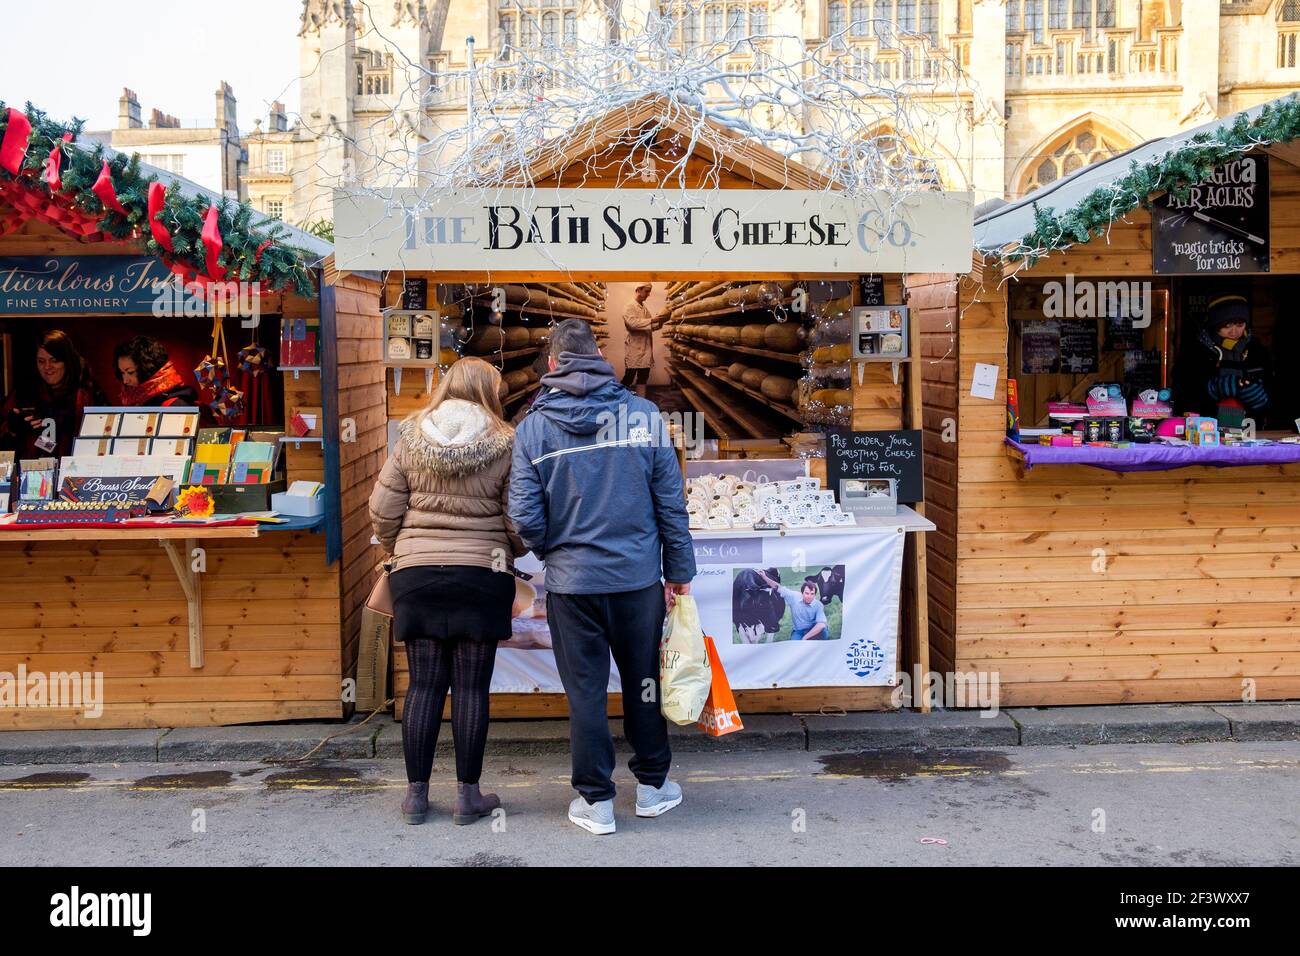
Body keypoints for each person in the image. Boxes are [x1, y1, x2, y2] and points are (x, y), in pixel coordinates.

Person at [509, 318, 696, 835]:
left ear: (551, 364)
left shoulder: (532, 429)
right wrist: (678, 570)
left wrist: (555, 551)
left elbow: (523, 516)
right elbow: (670, 505)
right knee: (644, 685)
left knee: (585, 692)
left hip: (573, 587)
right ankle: (654, 788)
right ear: (598, 355)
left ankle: (597, 802)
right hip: (637, 582)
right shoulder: (644, 416)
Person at [368, 357, 526, 827]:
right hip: (482, 572)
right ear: (489, 392)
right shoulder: (506, 442)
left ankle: (416, 798)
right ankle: (467, 796)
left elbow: (382, 509)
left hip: (417, 575)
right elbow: (517, 516)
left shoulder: (411, 436)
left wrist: (404, 548)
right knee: (472, 687)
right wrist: (510, 549)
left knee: (423, 685)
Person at [0, 330, 104, 459]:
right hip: (32, 473)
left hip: (75, 472)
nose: (47, 367)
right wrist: (11, 430)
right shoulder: (24, 394)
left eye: (54, 360)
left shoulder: (87, 394)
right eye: (41, 361)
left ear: (67, 361)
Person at [1176, 294, 1273, 428]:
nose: (1234, 332)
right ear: (1215, 325)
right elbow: (1183, 391)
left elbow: (1274, 390)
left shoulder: (1257, 351)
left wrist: (1259, 397)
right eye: (1227, 326)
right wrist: (1214, 387)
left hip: (1252, 429)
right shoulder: (1195, 351)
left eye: (1240, 325)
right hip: (1205, 430)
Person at [112, 335, 198, 407]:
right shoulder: (139, 402)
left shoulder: (176, 406)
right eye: (122, 373)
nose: (125, 380)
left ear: (149, 370)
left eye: (130, 372)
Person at [620, 282, 664, 396]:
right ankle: (619, 400)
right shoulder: (629, 306)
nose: (648, 294)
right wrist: (652, 320)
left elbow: (650, 326)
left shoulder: (644, 308)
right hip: (634, 349)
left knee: (643, 377)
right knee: (629, 377)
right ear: (638, 290)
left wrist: (662, 321)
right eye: (646, 291)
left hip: (645, 349)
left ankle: (641, 401)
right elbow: (632, 323)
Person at [757, 572, 828, 641]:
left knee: (824, 632)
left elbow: (821, 624)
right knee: (794, 645)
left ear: (815, 595)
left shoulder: (818, 605)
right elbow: (778, 587)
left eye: (812, 594)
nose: (809, 596)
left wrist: (805, 638)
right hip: (799, 631)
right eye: (807, 593)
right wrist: (764, 577)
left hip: (813, 628)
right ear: (802, 593)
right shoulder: (794, 597)